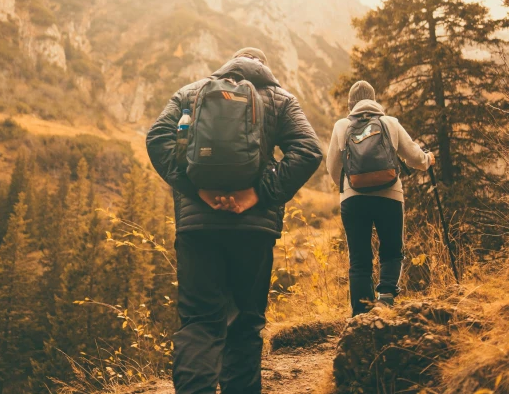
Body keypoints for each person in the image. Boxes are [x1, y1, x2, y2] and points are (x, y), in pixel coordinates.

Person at [146, 47, 322, 394]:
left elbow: (157, 138)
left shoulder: (191, 93)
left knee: (199, 323)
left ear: (229, 64)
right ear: (263, 68)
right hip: (253, 230)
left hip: (198, 229)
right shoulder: (280, 100)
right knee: (245, 324)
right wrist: (258, 194)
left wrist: (198, 192)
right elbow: (309, 150)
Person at [327, 80, 435, 316]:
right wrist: (428, 160)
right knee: (391, 249)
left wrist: (347, 188)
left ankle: (361, 314)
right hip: (390, 195)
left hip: (353, 199)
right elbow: (414, 157)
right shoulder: (389, 123)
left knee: (359, 257)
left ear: (350, 105)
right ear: (374, 100)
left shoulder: (341, 126)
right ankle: (385, 298)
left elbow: (332, 167)